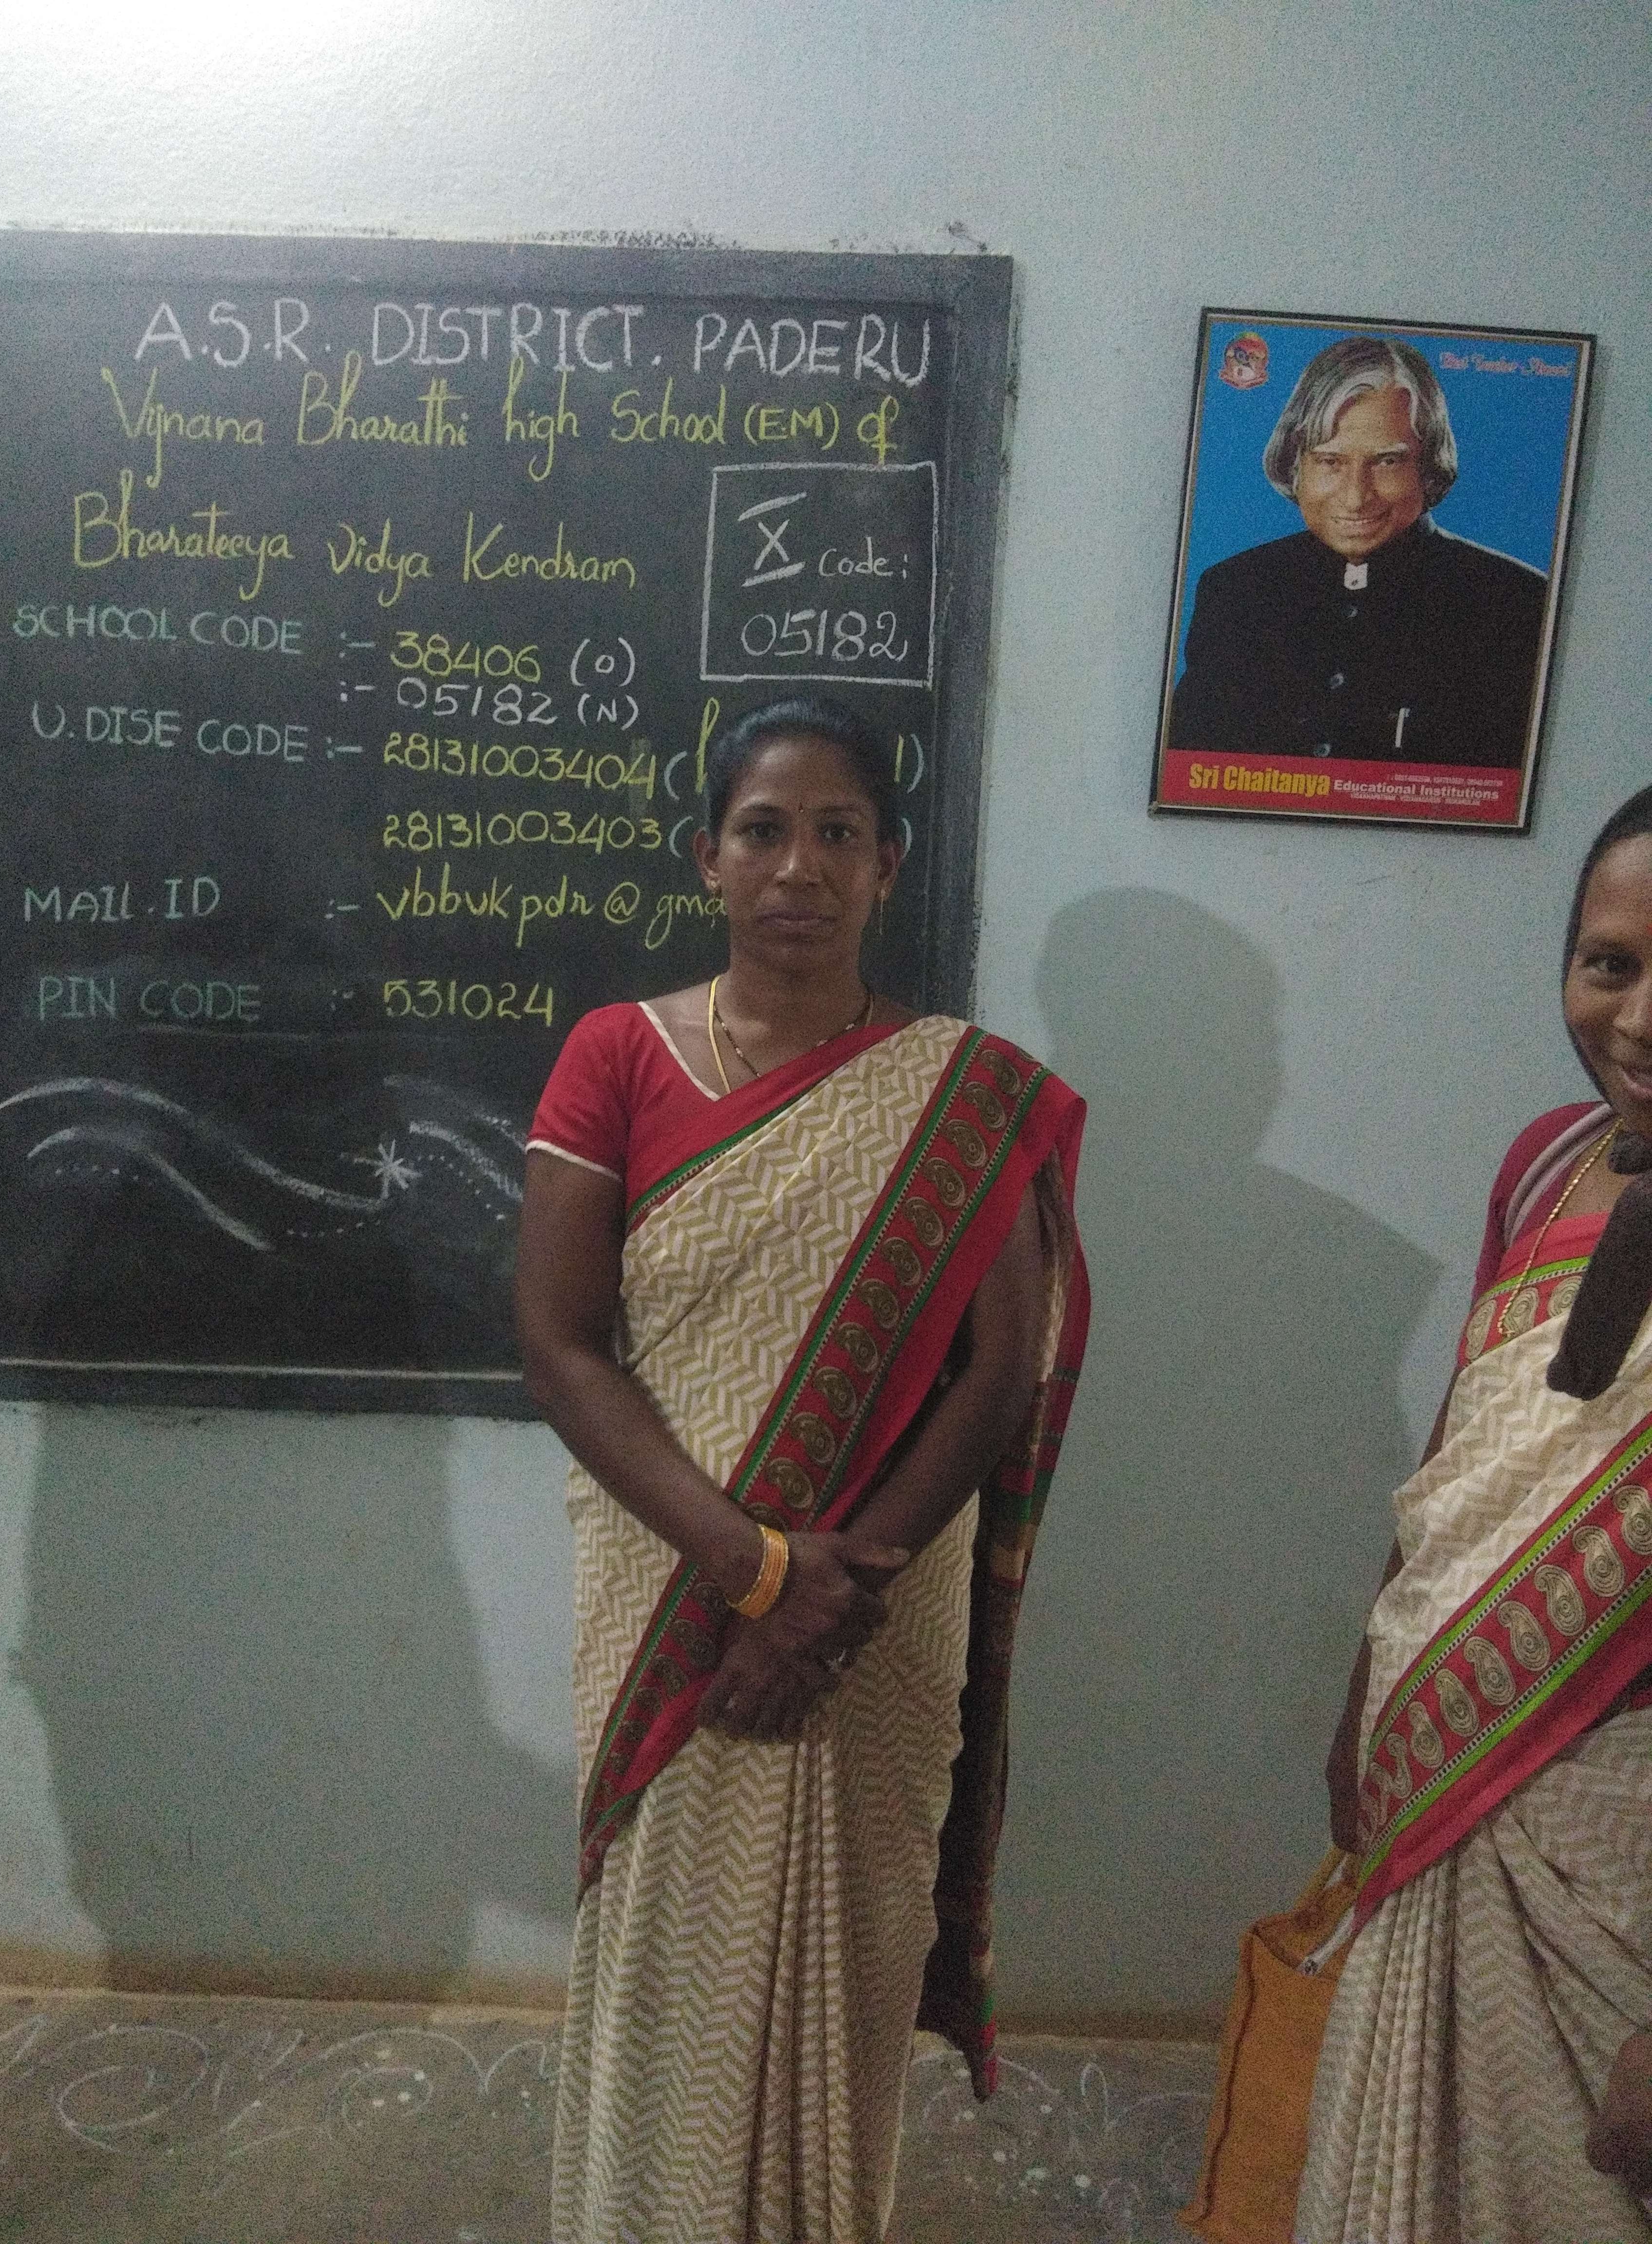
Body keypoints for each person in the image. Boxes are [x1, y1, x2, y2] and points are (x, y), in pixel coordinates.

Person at [515, 694, 1088, 2244]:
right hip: (676, 1596)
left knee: (844, 1968)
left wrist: (828, 1608)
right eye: (763, 830)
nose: (799, 867)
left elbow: (1000, 1372)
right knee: (666, 1958)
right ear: (707, 857)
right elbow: (562, 1345)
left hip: (876, 1615)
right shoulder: (616, 1057)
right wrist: (756, 1571)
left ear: (889, 865)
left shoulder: (963, 1094)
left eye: (840, 833)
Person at [1297, 785, 1652, 2242]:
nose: (1638, 1019)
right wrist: (1365, 1703)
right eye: (1609, 964)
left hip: (1613, 1855)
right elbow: (1457, 1464)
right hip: (1439, 1786)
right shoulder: (1548, 1165)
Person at [1167, 333, 1549, 767]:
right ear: (1296, 465)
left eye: (1387, 462)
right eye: (1330, 461)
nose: (1355, 498)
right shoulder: (1235, 590)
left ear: (1427, 467)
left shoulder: (1515, 602)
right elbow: (1188, 770)